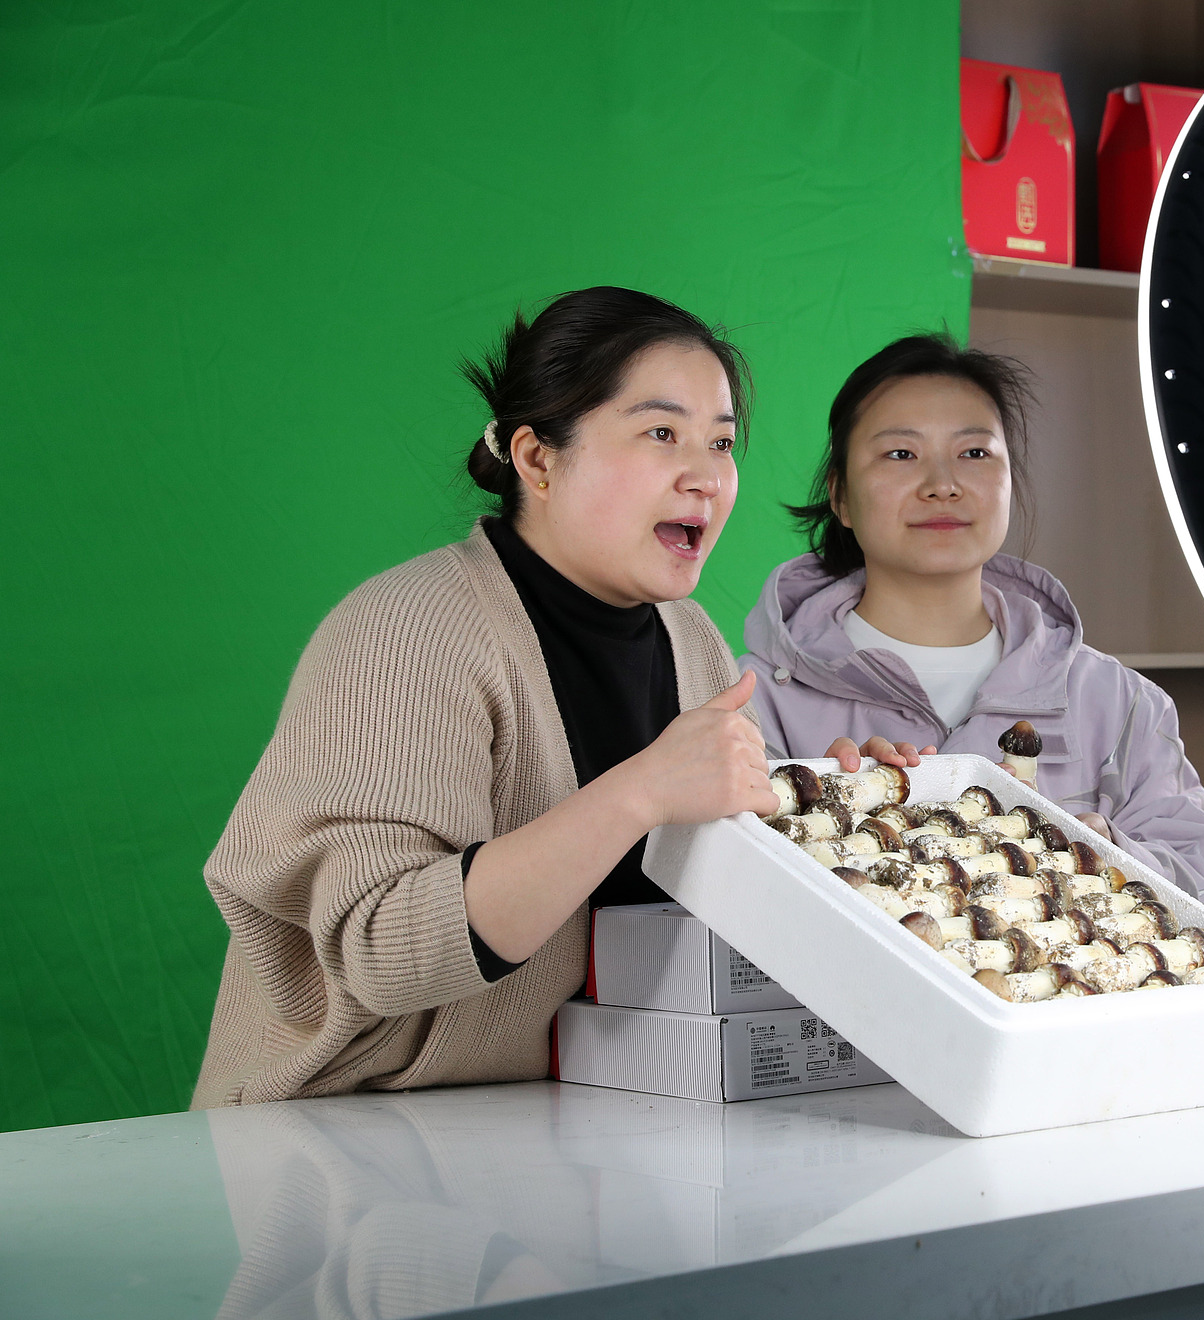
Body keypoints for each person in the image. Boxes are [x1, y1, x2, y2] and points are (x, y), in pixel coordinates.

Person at [193, 287, 779, 1108]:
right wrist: (640, 790)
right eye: (661, 432)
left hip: (580, 1121)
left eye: (720, 441)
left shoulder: (695, 641)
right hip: (345, 1136)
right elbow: (380, 948)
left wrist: (843, 820)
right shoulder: (406, 628)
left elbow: (711, 904)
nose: (706, 475)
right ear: (537, 459)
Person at [738, 334, 1204, 916]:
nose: (943, 484)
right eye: (901, 454)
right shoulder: (755, 700)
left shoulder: (1119, 703)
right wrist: (826, 817)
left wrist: (1100, 858)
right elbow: (733, 909)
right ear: (841, 497)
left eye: (975, 454)